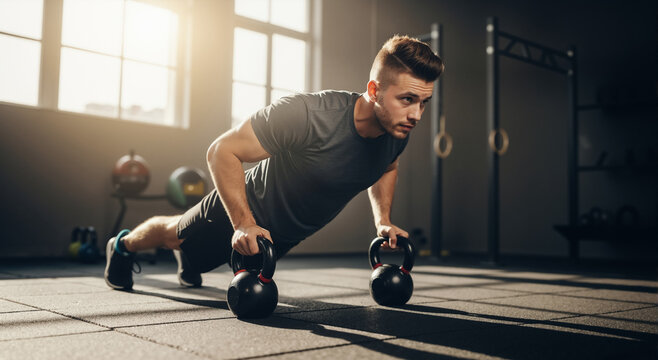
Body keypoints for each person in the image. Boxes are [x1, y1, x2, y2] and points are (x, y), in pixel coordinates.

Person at [104, 35, 444, 290]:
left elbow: (387, 167)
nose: (416, 115)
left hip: (285, 232)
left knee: (204, 263)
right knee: (173, 235)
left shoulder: (398, 130)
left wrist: (382, 221)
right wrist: (242, 223)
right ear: (374, 89)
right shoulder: (310, 115)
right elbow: (222, 151)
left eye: (424, 103)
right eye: (407, 99)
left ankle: (192, 259)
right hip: (241, 210)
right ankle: (122, 245)